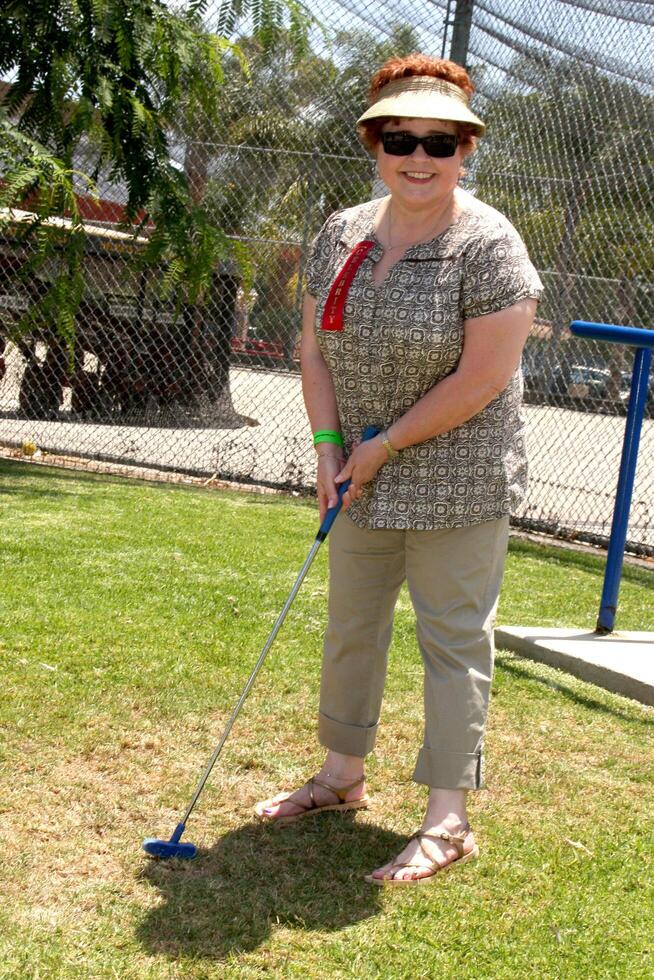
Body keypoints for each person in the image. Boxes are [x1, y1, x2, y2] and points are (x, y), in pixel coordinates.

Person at [255, 53, 543, 885]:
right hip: (360, 471)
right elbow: (312, 352)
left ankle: (447, 822)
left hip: (460, 476)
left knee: (452, 643)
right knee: (352, 625)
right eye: (400, 138)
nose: (419, 157)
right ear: (374, 143)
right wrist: (330, 449)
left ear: (466, 150)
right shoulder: (339, 233)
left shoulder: (489, 243)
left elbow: (482, 378)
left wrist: (380, 447)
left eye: (440, 142)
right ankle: (342, 775)